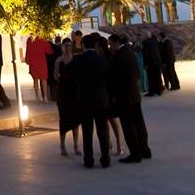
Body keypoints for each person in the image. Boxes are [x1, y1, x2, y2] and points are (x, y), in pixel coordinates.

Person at [66, 34, 111, 169]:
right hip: (101, 99)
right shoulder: (102, 59)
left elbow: (67, 71)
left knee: (87, 131)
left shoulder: (79, 59)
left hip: (85, 99)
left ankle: (89, 159)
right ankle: (105, 159)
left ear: (83, 45)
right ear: (95, 45)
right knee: (102, 131)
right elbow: (108, 77)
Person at [107, 35, 151, 163]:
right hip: (134, 94)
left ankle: (135, 153)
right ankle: (144, 149)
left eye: (110, 44)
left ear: (115, 43)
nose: (109, 47)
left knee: (128, 125)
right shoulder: (129, 52)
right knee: (139, 123)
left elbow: (115, 78)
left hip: (124, 96)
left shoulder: (118, 56)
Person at [54, 40, 79, 157]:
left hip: (74, 92)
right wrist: (62, 81)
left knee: (75, 119)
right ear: (63, 47)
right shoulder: (59, 60)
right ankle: (62, 146)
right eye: (66, 46)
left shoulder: (76, 59)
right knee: (63, 119)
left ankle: (76, 145)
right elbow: (55, 75)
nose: (69, 47)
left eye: (70, 45)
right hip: (63, 92)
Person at [24, 35, 53, 102]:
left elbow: (28, 50)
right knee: (44, 79)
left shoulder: (30, 39)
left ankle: (37, 96)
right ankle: (45, 97)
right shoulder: (43, 38)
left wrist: (27, 60)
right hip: (41, 61)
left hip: (33, 61)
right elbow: (49, 50)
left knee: (35, 79)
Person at [141, 32, 163, 97]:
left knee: (150, 78)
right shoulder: (155, 41)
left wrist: (145, 64)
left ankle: (152, 92)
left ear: (145, 36)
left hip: (150, 63)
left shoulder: (145, 43)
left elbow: (145, 54)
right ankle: (159, 91)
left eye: (143, 36)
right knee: (157, 77)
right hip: (157, 62)